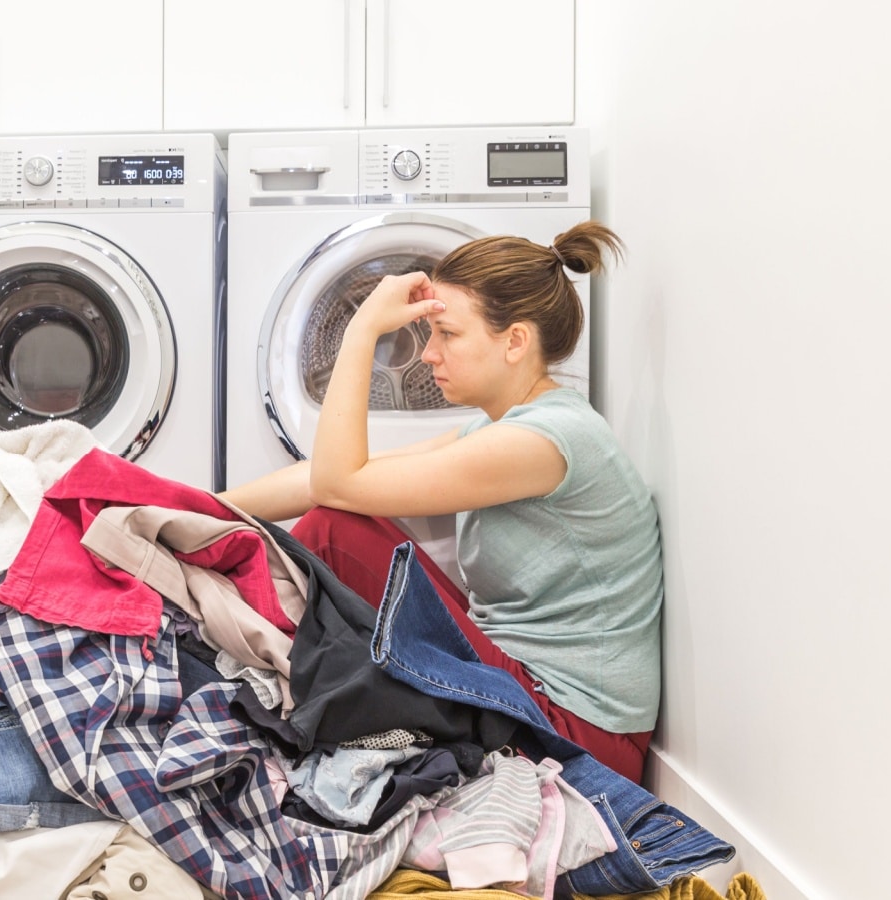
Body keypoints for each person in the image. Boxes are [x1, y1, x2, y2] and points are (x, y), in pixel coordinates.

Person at [219, 221, 662, 783]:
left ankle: (245, 682)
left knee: (334, 529)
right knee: (337, 524)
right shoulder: (506, 428)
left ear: (515, 341)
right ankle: (263, 677)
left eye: (446, 333)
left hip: (577, 735)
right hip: (531, 693)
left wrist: (362, 332)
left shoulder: (542, 442)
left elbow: (336, 486)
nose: (427, 354)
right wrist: (195, 507)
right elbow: (326, 478)